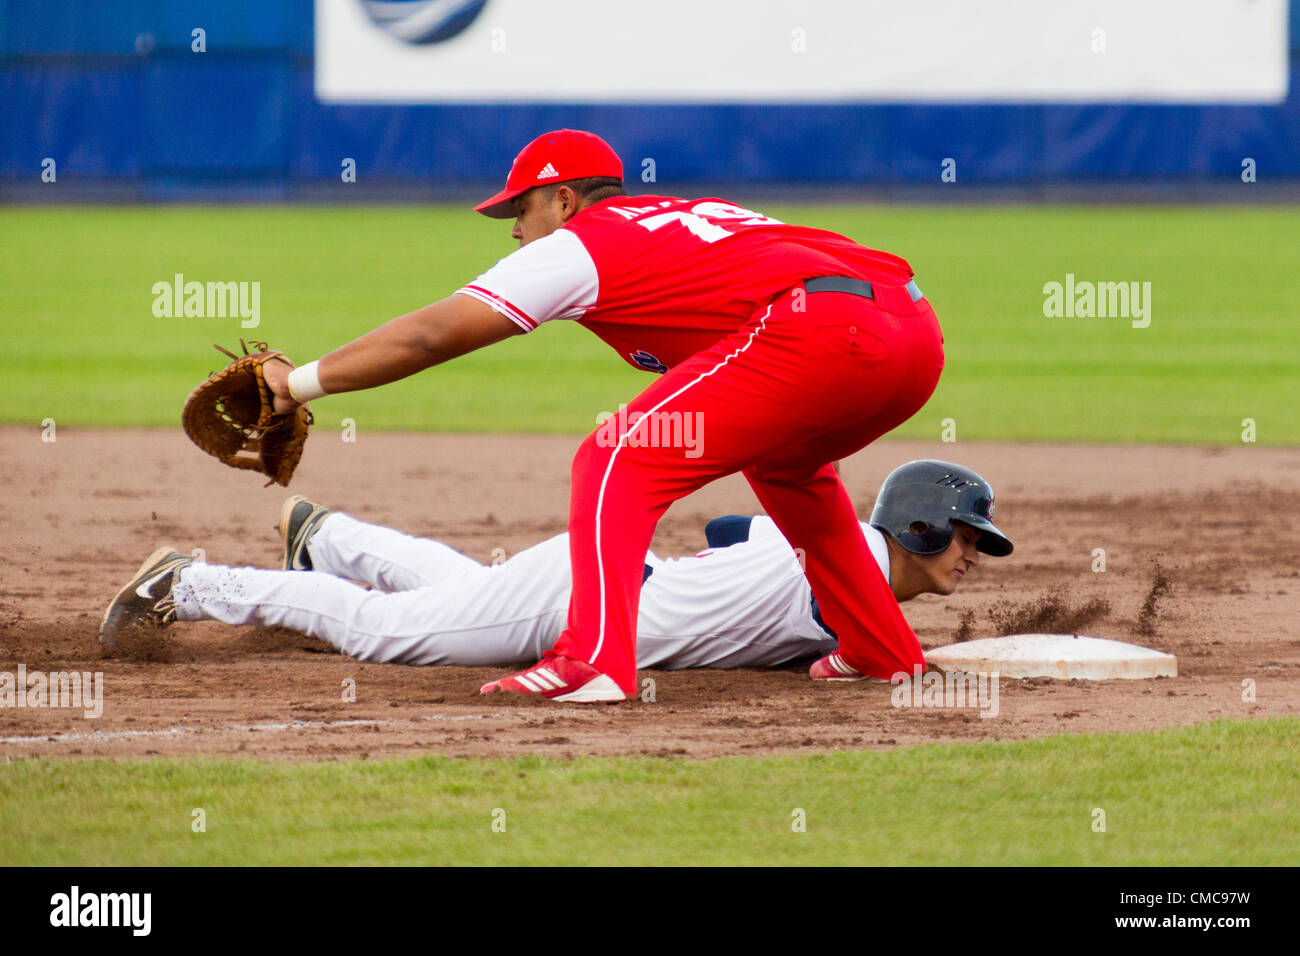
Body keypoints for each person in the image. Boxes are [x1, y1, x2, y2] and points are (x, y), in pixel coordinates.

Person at [252, 129, 948, 702]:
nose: (515, 231)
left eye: (518, 211)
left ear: (562, 199)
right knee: (790, 471)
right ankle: (880, 649)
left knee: (616, 456)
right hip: (912, 332)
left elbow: (434, 334)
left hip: (827, 329)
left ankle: (594, 662)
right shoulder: (677, 223)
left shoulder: (583, 243)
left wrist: (301, 383)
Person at [99, 461, 1012, 680]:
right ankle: (189, 582)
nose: (975, 555)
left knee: (452, 590)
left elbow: (736, 524)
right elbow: (858, 663)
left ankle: (329, 537)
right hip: (587, 599)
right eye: (968, 537)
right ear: (922, 526)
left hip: (608, 585)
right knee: (386, 635)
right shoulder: (844, 560)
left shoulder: (831, 546)